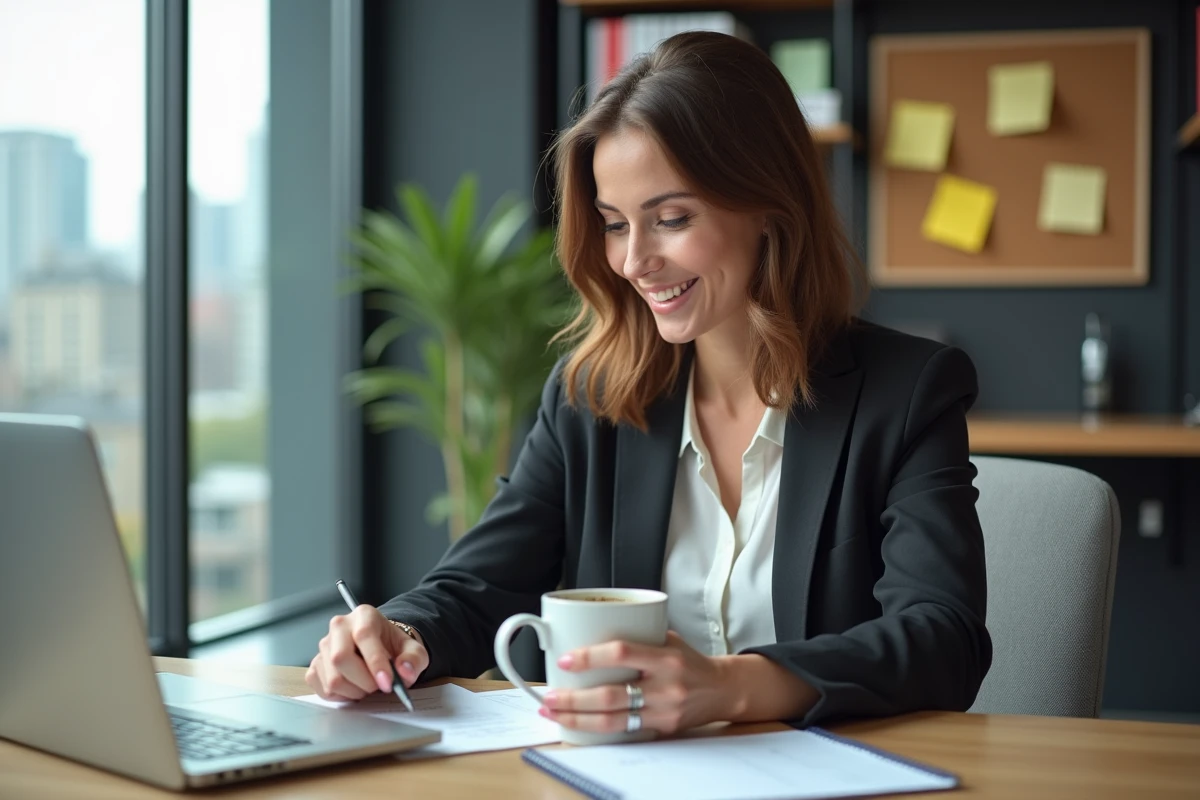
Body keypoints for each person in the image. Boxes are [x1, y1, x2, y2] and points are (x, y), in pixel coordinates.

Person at [306, 31, 991, 735]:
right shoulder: (589, 398)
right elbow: (477, 587)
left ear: (769, 204)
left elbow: (943, 638)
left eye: (671, 219)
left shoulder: (908, 392)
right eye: (612, 225)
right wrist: (397, 634)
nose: (634, 262)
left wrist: (733, 687)